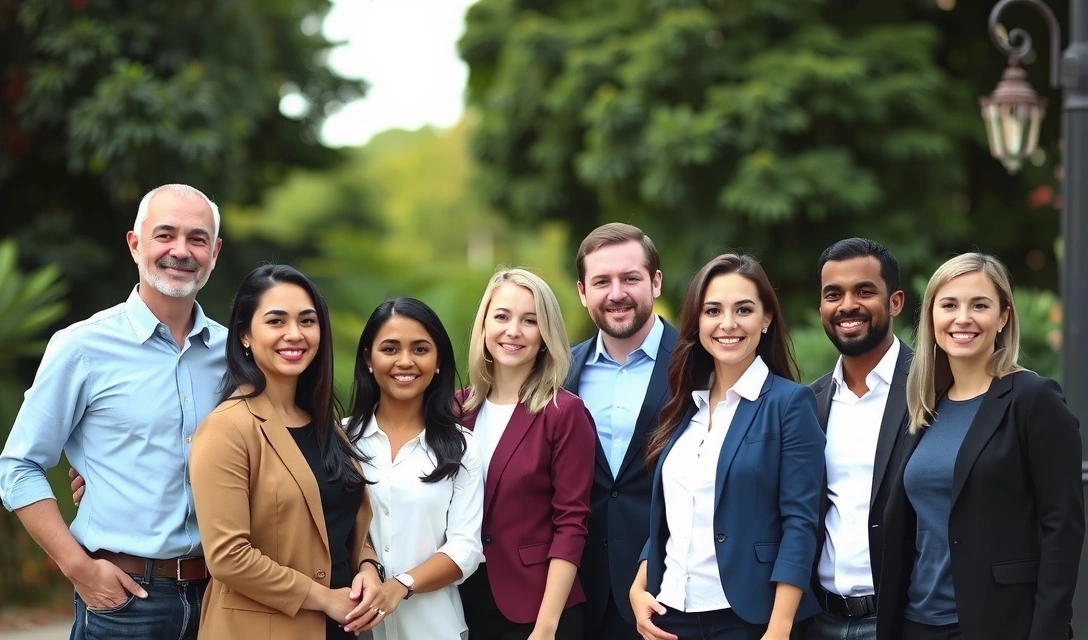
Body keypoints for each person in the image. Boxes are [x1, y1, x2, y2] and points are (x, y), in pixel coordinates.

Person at [0, 184, 224, 640]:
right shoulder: (82, 346)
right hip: (124, 602)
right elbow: (18, 467)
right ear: (135, 244)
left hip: (222, 598)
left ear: (215, 252)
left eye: (197, 239)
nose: (181, 251)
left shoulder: (235, 353)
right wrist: (79, 568)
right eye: (165, 235)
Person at [876, 253, 1084, 640]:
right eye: (949, 305)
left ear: (1004, 316)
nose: (963, 318)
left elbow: (1063, 529)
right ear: (931, 317)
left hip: (999, 623)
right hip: (916, 623)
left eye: (980, 305)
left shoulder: (1034, 399)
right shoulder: (923, 406)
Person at [630, 253, 824, 640]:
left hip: (749, 619)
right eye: (713, 311)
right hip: (671, 613)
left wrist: (779, 628)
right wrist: (639, 585)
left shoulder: (789, 404)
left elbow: (801, 524)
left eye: (744, 310)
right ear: (698, 321)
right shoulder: (684, 405)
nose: (728, 323)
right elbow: (676, 512)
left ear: (766, 319)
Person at [188, 264, 383, 640]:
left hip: (343, 625)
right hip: (263, 628)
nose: (295, 334)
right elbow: (228, 556)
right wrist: (323, 598)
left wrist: (369, 568)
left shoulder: (326, 425)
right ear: (245, 334)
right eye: (276, 321)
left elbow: (344, 523)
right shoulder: (227, 428)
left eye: (307, 321)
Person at [457, 268, 596, 640]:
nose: (513, 331)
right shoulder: (456, 410)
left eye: (530, 321)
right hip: (462, 603)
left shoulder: (564, 413)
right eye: (502, 317)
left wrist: (546, 626)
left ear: (546, 335)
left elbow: (571, 524)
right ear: (484, 326)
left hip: (536, 609)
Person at [343, 297, 484, 640]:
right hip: (352, 626)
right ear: (369, 359)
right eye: (390, 349)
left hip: (435, 629)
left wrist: (400, 585)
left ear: (438, 361)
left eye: (420, 349)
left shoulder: (462, 447)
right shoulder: (341, 440)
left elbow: (465, 548)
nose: (405, 361)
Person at [563, 222, 678, 640]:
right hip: (581, 593)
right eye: (601, 282)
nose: (616, 294)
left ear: (655, 282)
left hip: (671, 590)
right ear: (582, 292)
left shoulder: (698, 364)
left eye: (630, 278)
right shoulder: (560, 372)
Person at [805, 238, 911, 640]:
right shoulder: (809, 403)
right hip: (820, 621)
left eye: (864, 291)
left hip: (903, 621)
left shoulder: (934, 387)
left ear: (895, 302)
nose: (847, 305)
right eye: (833, 294)